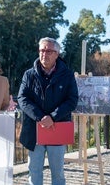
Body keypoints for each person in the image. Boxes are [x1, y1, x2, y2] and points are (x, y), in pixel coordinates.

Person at [17, 37, 79, 185]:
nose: (45, 54)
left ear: (57, 54)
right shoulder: (29, 74)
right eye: (42, 50)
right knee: (34, 172)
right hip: (34, 130)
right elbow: (22, 98)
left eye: (49, 51)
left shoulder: (67, 75)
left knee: (57, 174)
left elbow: (72, 100)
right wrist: (40, 117)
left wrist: (52, 117)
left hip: (57, 129)